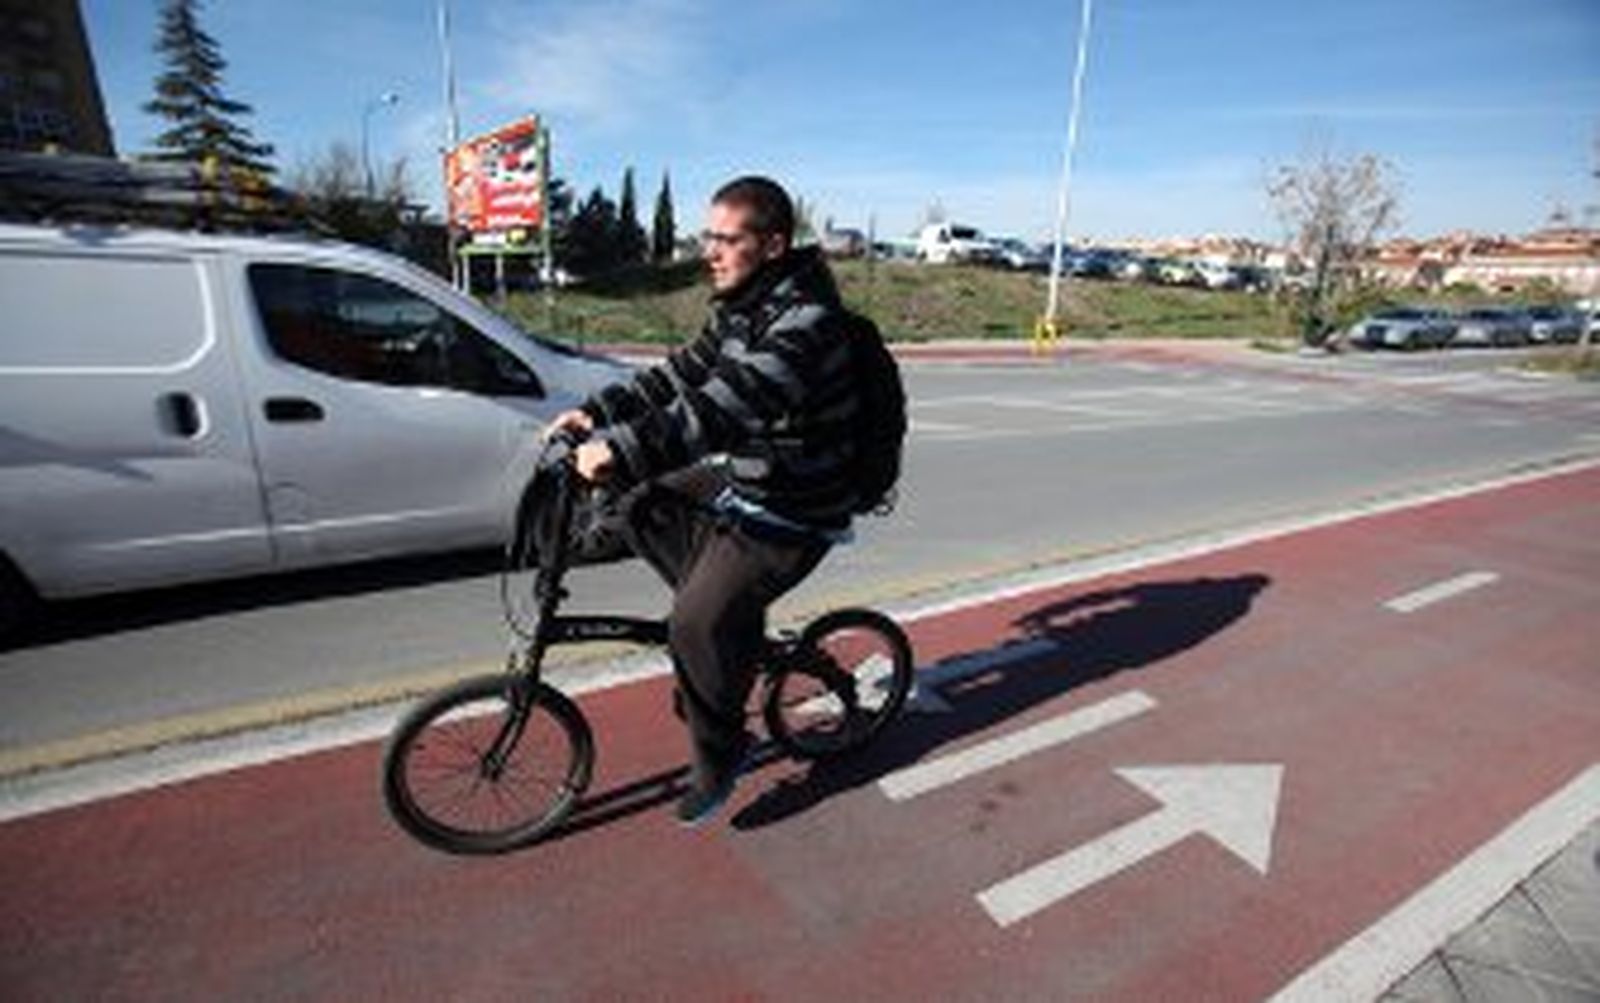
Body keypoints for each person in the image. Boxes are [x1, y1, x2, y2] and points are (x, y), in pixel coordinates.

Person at [546, 175, 861, 827]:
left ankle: (724, 752)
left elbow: (721, 408)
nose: (709, 252)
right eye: (706, 236)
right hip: (751, 479)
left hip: (797, 506)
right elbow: (680, 375)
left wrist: (623, 448)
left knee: (693, 621)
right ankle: (725, 634)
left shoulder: (809, 323)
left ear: (772, 245)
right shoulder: (742, 307)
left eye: (725, 239)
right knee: (638, 504)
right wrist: (596, 412)